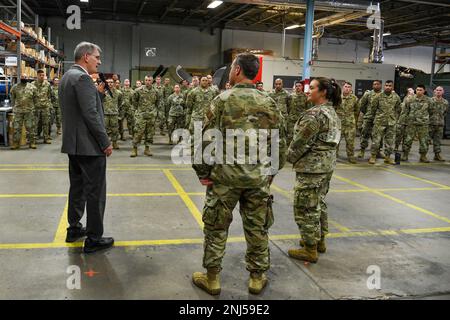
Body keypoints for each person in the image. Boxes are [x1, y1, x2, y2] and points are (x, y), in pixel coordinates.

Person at [192, 53, 286, 296]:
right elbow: (279, 143)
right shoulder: (269, 103)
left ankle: (212, 278)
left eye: (232, 68)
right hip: (257, 178)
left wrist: (203, 172)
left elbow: (204, 140)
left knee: (216, 227)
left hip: (225, 178)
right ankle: (256, 277)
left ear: (237, 71)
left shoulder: (221, 100)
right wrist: (271, 172)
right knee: (257, 228)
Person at [59, 41, 114, 253]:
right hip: (89, 147)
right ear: (85, 57)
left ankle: (74, 228)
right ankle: (94, 238)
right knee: (95, 192)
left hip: (74, 145)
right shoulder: (82, 78)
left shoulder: (67, 77)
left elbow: (79, 108)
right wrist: (105, 142)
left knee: (78, 188)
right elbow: (91, 115)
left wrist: (97, 94)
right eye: (97, 57)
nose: (99, 62)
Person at [287, 77, 341, 263]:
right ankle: (320, 241)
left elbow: (300, 142)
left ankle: (310, 249)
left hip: (311, 168)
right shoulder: (332, 112)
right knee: (319, 203)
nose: (307, 91)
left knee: (305, 207)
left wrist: (287, 158)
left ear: (323, 92)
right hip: (326, 166)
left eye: (311, 88)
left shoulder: (314, 114)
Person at [367, 80, 401, 165]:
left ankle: (387, 157)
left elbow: (398, 109)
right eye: (386, 85)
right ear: (384, 86)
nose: (388, 87)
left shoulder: (396, 97)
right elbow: (373, 109)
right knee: (376, 140)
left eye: (390, 86)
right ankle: (373, 156)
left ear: (392, 87)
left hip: (391, 123)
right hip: (379, 122)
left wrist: (394, 118)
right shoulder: (378, 96)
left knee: (390, 141)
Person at [131, 75, 160, 157]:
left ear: (152, 81)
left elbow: (158, 103)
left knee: (150, 133)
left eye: (150, 80)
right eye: (146, 80)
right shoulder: (138, 90)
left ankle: (147, 149)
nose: (148, 82)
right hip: (141, 115)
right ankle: (134, 148)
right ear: (144, 81)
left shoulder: (156, 91)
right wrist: (138, 112)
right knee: (138, 132)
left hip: (151, 115)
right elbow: (134, 102)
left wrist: (155, 112)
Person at [402, 84, 432, 162]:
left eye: (420, 90)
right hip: (411, 123)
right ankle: (405, 154)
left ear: (424, 91)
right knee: (408, 139)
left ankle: (423, 156)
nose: (418, 91)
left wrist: (425, 118)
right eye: (417, 90)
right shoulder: (410, 99)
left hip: (423, 124)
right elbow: (406, 110)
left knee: (424, 141)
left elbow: (431, 111)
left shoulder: (428, 100)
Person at [9, 77, 37, 150]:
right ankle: (16, 143)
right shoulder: (15, 87)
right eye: (22, 76)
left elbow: (35, 98)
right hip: (18, 111)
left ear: (27, 78)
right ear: (20, 78)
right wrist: (13, 108)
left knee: (30, 127)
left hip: (29, 110)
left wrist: (34, 108)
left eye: (25, 76)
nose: (24, 78)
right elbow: (12, 98)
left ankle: (32, 142)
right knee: (16, 128)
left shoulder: (32, 87)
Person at [335, 82, 359, 163]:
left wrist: (353, 120)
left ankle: (351, 156)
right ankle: (334, 156)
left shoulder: (354, 98)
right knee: (336, 141)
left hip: (350, 125)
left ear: (351, 89)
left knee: (350, 142)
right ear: (342, 88)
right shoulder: (337, 97)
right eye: (345, 87)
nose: (347, 88)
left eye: (349, 87)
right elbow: (333, 109)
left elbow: (357, 110)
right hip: (338, 124)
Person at [358, 80, 382, 159]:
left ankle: (377, 152)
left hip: (379, 119)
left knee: (377, 137)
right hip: (368, 118)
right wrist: (367, 113)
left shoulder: (383, 95)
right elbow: (362, 106)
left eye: (377, 84)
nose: (376, 85)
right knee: (364, 134)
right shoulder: (368, 94)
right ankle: (362, 151)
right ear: (372, 86)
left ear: (380, 85)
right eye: (374, 84)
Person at [33, 69, 55, 144]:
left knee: (46, 123)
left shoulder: (47, 84)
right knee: (35, 124)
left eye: (43, 75)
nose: (42, 77)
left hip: (45, 107)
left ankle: (46, 138)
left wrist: (48, 105)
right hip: (36, 107)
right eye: (40, 75)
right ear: (37, 76)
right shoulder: (32, 85)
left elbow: (49, 95)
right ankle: (34, 139)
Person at [429, 86, 448, 161]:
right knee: (426, 140)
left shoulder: (445, 102)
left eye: (440, 90)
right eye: (437, 90)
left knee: (438, 141)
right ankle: (423, 155)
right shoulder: (430, 101)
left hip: (440, 124)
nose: (438, 91)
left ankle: (437, 155)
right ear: (434, 91)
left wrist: (440, 120)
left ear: (443, 92)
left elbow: (445, 113)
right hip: (430, 124)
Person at [287, 81, 309, 146]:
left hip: (301, 120)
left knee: (300, 137)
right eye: (296, 86)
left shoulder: (305, 97)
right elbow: (288, 107)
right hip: (291, 120)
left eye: (299, 86)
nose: (298, 87)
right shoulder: (290, 96)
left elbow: (308, 109)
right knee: (290, 136)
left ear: (302, 87)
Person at [103, 78, 123, 149]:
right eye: (108, 82)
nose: (110, 84)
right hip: (105, 113)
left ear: (114, 83)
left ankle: (114, 142)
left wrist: (117, 109)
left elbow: (120, 102)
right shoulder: (103, 92)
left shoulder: (118, 93)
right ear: (106, 83)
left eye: (111, 82)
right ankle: (105, 144)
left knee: (115, 129)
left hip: (114, 114)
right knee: (104, 129)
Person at [395, 88, 415, 153]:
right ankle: (396, 146)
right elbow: (399, 110)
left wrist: (411, 96)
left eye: (411, 91)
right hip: (401, 120)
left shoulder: (414, 99)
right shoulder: (405, 99)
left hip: (409, 121)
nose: (410, 92)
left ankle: (405, 148)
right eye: (409, 91)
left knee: (407, 136)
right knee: (398, 135)